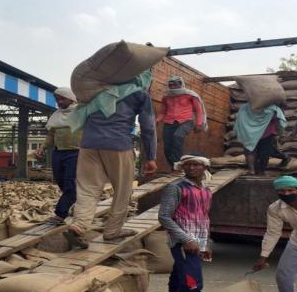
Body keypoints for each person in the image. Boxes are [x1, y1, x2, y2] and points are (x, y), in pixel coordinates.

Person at [63, 70, 158, 249]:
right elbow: (148, 127)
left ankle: (79, 225)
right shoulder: (139, 95)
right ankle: (112, 231)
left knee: (87, 188)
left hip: (88, 145)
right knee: (122, 190)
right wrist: (151, 156)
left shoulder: (98, 92)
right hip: (118, 145)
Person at [151, 155, 215, 292]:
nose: (192, 168)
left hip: (197, 242)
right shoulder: (176, 187)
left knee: (180, 279)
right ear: (183, 167)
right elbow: (164, 217)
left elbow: (204, 217)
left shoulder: (206, 190)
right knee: (192, 285)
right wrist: (186, 239)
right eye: (188, 165)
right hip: (182, 243)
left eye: (197, 164)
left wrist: (206, 244)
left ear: (204, 167)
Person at [37, 87, 80, 224]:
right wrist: (43, 147)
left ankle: (60, 214)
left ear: (71, 99)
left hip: (76, 152)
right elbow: (51, 135)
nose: (59, 102)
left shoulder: (81, 113)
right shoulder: (56, 115)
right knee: (60, 181)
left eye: (62, 99)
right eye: (57, 99)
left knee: (70, 183)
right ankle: (75, 203)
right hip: (58, 152)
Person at [156, 76, 207, 168]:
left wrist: (199, 124)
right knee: (167, 147)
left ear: (181, 84)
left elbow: (198, 110)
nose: (172, 86)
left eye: (175, 84)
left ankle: (178, 166)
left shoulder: (190, 95)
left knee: (177, 136)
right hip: (169, 122)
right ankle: (174, 167)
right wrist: (156, 121)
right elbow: (163, 112)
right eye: (170, 85)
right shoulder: (166, 97)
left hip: (186, 121)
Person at [234, 103, 288, 175]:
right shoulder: (273, 108)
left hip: (253, 133)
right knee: (263, 153)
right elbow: (279, 121)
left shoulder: (245, 108)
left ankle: (254, 170)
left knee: (255, 152)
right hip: (261, 134)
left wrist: (282, 135)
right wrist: (282, 134)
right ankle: (258, 170)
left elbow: (240, 120)